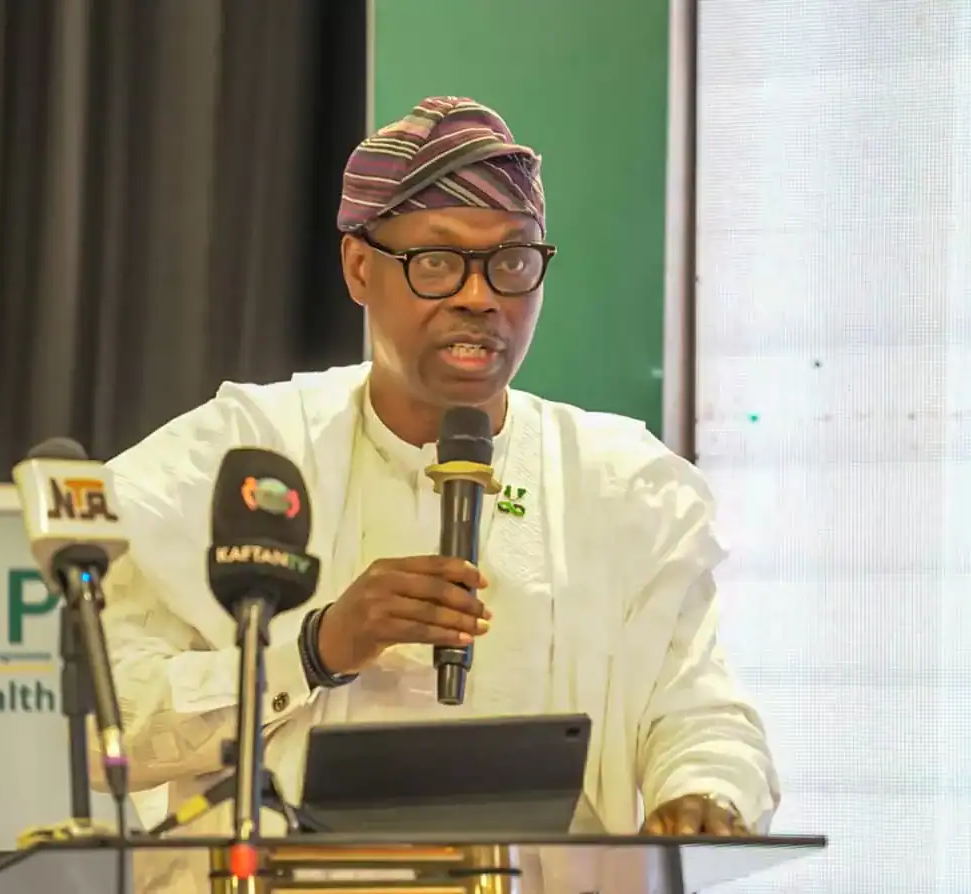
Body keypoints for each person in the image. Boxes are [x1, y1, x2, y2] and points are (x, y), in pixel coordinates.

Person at [94, 96, 779, 891]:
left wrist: (705, 791)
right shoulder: (238, 456)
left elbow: (699, 711)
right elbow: (114, 725)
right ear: (360, 268)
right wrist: (315, 648)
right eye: (438, 262)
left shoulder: (622, 484)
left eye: (512, 261)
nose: (480, 297)